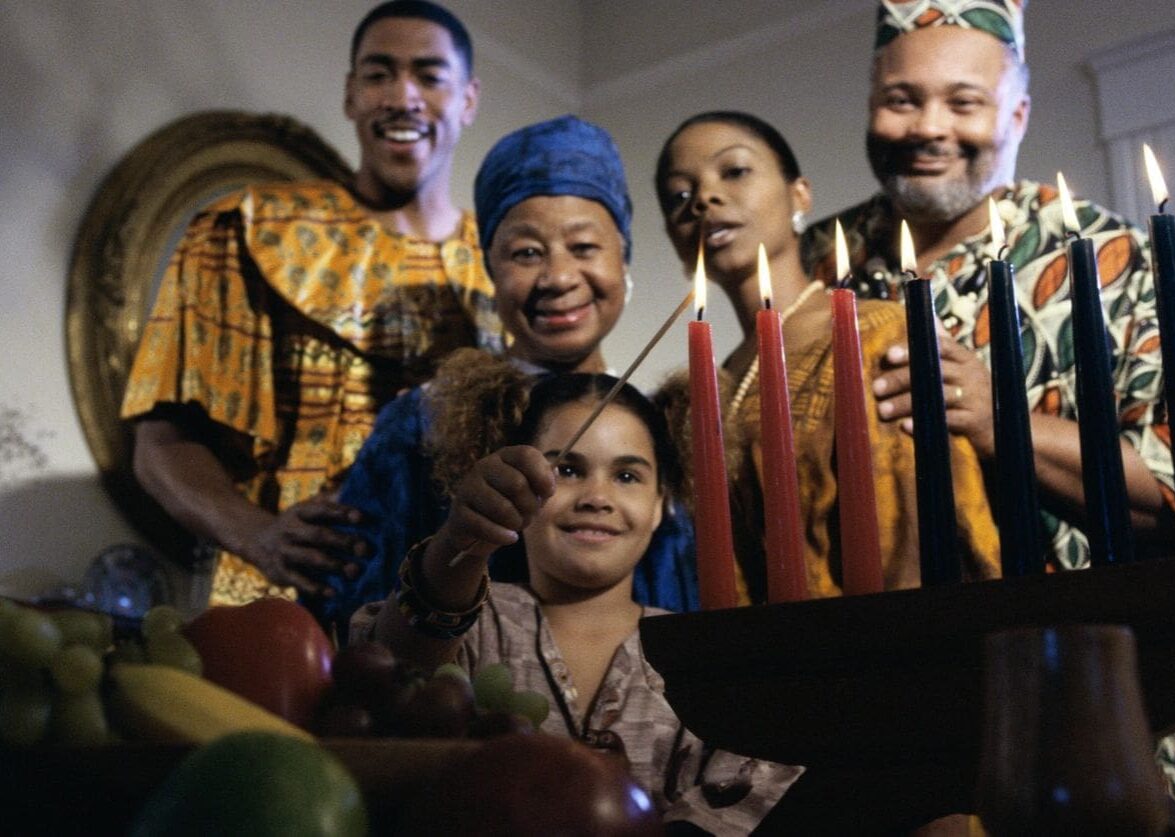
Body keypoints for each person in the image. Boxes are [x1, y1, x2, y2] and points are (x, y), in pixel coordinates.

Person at [800, 0, 1175, 807]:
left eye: (964, 101)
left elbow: (1173, 493)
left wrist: (997, 416)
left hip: (1081, 717)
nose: (928, 125)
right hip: (866, 711)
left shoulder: (1114, 257)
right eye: (902, 98)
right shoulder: (817, 268)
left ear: (1016, 112)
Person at [120, 1, 500, 606]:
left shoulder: (511, 259)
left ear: (469, 99)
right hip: (280, 610)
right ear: (351, 95)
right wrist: (258, 534)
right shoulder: (246, 227)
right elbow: (161, 443)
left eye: (429, 76)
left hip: (468, 608)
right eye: (379, 74)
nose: (403, 96)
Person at [354, 371, 802, 833]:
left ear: (659, 505)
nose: (596, 497)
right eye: (567, 470)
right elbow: (393, 669)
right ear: (514, 483)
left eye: (627, 475)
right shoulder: (475, 623)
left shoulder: (699, 658)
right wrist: (457, 544)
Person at [320, 116, 697, 635]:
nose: (559, 278)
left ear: (623, 258)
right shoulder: (420, 425)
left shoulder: (659, 429)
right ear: (491, 269)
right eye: (526, 253)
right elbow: (356, 618)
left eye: (584, 247)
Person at [655, 110, 1000, 604]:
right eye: (679, 196)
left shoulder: (874, 334)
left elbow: (917, 539)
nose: (703, 200)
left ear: (800, 196)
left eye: (733, 171)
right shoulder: (711, 385)